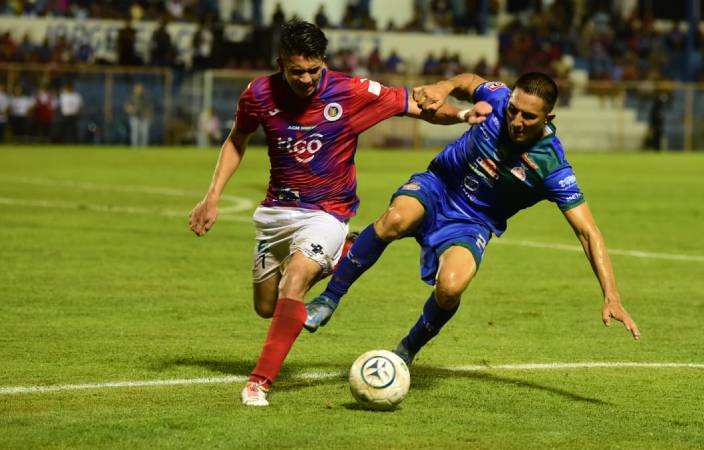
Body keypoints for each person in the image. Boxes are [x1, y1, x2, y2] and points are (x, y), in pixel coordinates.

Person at [187, 20, 489, 407]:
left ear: (323, 62)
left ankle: (259, 383)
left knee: (294, 282)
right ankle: (348, 251)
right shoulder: (258, 94)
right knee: (267, 306)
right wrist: (212, 196)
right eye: (297, 71)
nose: (307, 79)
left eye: (314, 69)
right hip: (277, 211)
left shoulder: (350, 90)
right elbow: (236, 140)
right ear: (281, 63)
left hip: (327, 211)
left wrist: (463, 117)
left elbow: (416, 105)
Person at [305, 72, 641, 367]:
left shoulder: (552, 166)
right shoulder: (496, 98)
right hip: (438, 187)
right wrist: (444, 86)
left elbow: (588, 232)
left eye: (528, 116)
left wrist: (611, 295)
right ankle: (329, 298)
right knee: (397, 218)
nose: (516, 121)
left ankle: (407, 349)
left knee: (451, 287)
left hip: (472, 223)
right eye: (513, 110)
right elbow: (468, 82)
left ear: (548, 117)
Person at [125, 82, 152, 147]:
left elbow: (149, 107)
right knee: (135, 133)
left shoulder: (145, 97)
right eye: (138, 88)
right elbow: (127, 106)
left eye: (140, 88)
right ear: (135, 89)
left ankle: (144, 147)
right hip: (134, 117)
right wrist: (132, 109)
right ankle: (135, 147)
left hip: (144, 117)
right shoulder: (131, 97)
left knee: (144, 133)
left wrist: (148, 114)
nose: (139, 89)